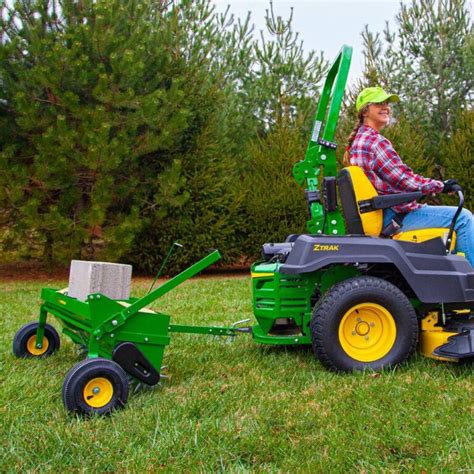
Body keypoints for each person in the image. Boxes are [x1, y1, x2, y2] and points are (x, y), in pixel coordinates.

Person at [342, 86, 474, 267]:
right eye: (379, 103)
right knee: (463, 218)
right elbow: (404, 180)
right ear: (365, 110)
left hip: (386, 212)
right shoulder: (374, 142)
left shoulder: (359, 140)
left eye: (387, 103)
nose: (386, 107)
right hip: (395, 215)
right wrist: (441, 186)